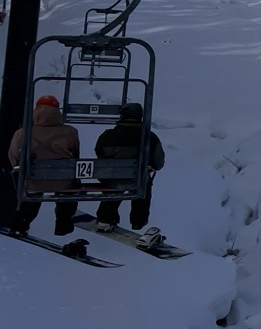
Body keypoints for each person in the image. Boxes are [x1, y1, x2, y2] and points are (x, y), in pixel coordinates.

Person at [7, 95, 81, 236]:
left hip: (33, 181)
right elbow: (75, 156)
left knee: (30, 195)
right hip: (63, 182)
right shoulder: (70, 131)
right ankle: (63, 223)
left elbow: (13, 157)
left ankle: (21, 224)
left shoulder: (23, 133)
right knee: (71, 187)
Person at [94, 103, 164, 232]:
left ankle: (105, 219)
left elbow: (99, 152)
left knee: (113, 186)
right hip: (136, 180)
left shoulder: (108, 135)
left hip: (112, 179)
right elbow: (158, 162)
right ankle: (138, 220)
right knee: (143, 185)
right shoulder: (149, 137)